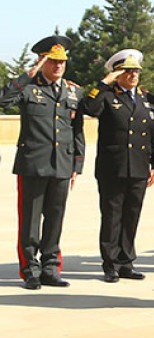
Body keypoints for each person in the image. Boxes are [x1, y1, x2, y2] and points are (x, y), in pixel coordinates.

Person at [0, 35, 85, 290]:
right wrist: (29, 74)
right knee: (30, 221)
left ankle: (50, 268)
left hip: (62, 164)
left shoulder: (74, 91)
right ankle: (29, 270)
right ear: (42, 62)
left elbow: (77, 130)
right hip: (33, 164)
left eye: (62, 62)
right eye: (53, 62)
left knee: (55, 219)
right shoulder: (28, 88)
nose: (58, 67)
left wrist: (76, 165)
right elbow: (3, 100)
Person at [80, 49, 154, 282]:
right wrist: (104, 83)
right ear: (117, 73)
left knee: (131, 216)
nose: (133, 74)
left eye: (136, 70)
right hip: (113, 168)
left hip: (139, 168)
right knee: (112, 217)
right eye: (127, 70)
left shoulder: (148, 99)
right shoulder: (107, 96)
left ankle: (126, 262)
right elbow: (89, 108)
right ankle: (110, 264)